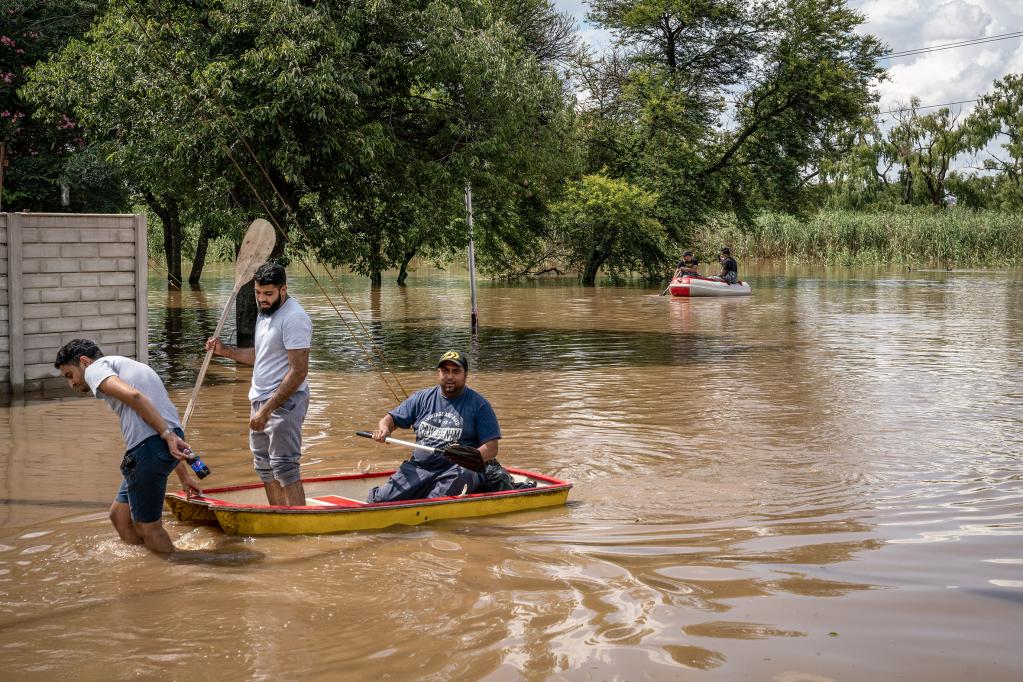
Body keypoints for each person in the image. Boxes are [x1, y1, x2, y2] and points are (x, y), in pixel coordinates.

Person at [54, 338, 204, 554]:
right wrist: (184, 475)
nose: (72, 384)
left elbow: (134, 397)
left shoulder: (95, 369)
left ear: (84, 362)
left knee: (148, 528)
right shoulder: (129, 366)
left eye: (70, 375)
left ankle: (176, 567)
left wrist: (167, 435)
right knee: (119, 516)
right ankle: (150, 563)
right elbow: (167, 430)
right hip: (157, 444)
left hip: (150, 447)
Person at [206, 262, 312, 506]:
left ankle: (297, 521)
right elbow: (260, 356)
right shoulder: (264, 313)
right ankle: (277, 516)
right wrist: (224, 350)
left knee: (285, 468)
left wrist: (267, 410)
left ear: (283, 289)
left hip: (284, 403)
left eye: (268, 293)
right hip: (259, 399)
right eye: (257, 292)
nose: (262, 299)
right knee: (264, 468)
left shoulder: (295, 318)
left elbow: (298, 372)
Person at [368, 350, 501, 503]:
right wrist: (384, 429)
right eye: (445, 371)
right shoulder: (421, 398)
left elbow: (492, 448)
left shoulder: (479, 405)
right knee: (380, 500)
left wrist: (469, 456)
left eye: (456, 371)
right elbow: (390, 419)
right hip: (420, 467)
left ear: (465, 375)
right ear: (438, 373)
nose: (450, 376)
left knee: (451, 485)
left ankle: (429, 504)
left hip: (458, 470)